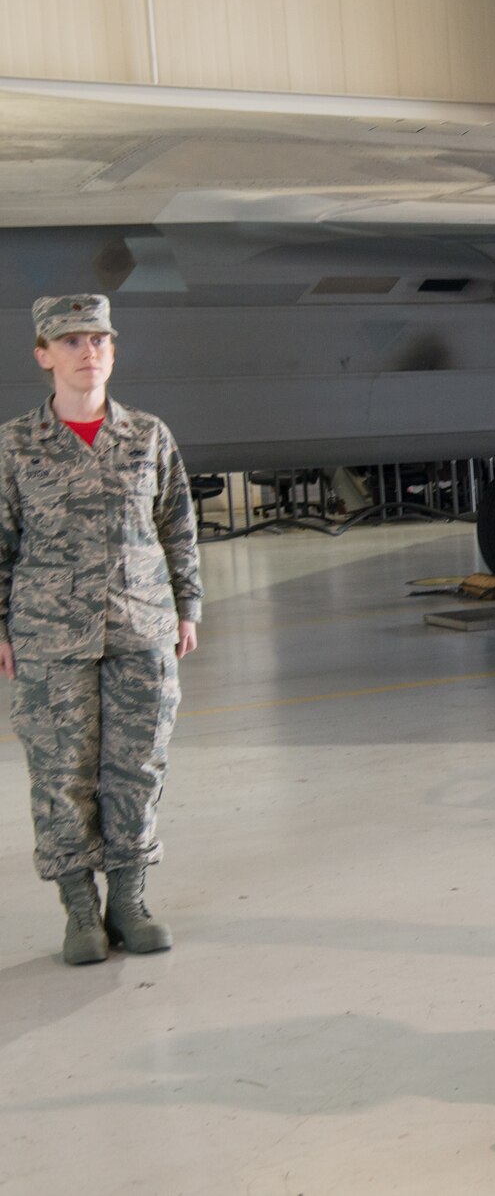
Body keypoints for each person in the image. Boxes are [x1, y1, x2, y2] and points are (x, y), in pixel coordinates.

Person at [1, 293, 199, 965]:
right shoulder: (15, 445)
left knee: (135, 770)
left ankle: (129, 900)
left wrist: (187, 606)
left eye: (100, 340)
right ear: (43, 355)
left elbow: (176, 525)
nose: (89, 352)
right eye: (73, 341)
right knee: (61, 775)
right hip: (48, 637)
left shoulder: (147, 435)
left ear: (113, 350)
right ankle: (79, 914)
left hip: (141, 629)